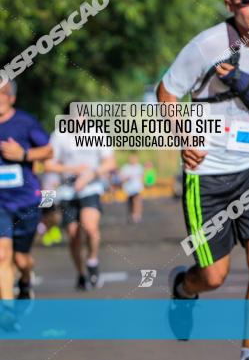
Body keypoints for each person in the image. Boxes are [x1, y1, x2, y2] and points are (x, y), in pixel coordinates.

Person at [158, 0, 249, 360]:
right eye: (247, 0)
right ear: (230, 3)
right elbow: (166, 91)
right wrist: (183, 138)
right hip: (208, 174)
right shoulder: (206, 45)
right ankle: (184, 289)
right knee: (213, 277)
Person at [44, 106, 116, 291]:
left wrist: (91, 173)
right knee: (74, 237)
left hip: (91, 188)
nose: (79, 120)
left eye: (82, 115)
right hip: (67, 192)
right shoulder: (59, 136)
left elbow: (110, 162)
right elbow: (49, 165)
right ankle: (81, 273)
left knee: (90, 227)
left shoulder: (96, 133)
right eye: (75, 116)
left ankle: (92, 260)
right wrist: (71, 170)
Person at [0, 80, 53, 308]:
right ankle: (8, 310)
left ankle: (25, 279)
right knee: (2, 255)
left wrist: (23, 154)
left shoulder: (25, 121)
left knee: (21, 259)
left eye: (2, 93)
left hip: (26, 201)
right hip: (0, 203)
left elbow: (49, 150)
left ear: (11, 98)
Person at [119, 153, 145, 224]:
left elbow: (142, 177)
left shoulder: (139, 167)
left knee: (137, 200)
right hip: (129, 189)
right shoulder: (125, 167)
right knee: (130, 202)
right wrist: (127, 178)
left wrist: (143, 184)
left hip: (137, 188)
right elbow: (121, 178)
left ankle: (137, 215)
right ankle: (131, 214)